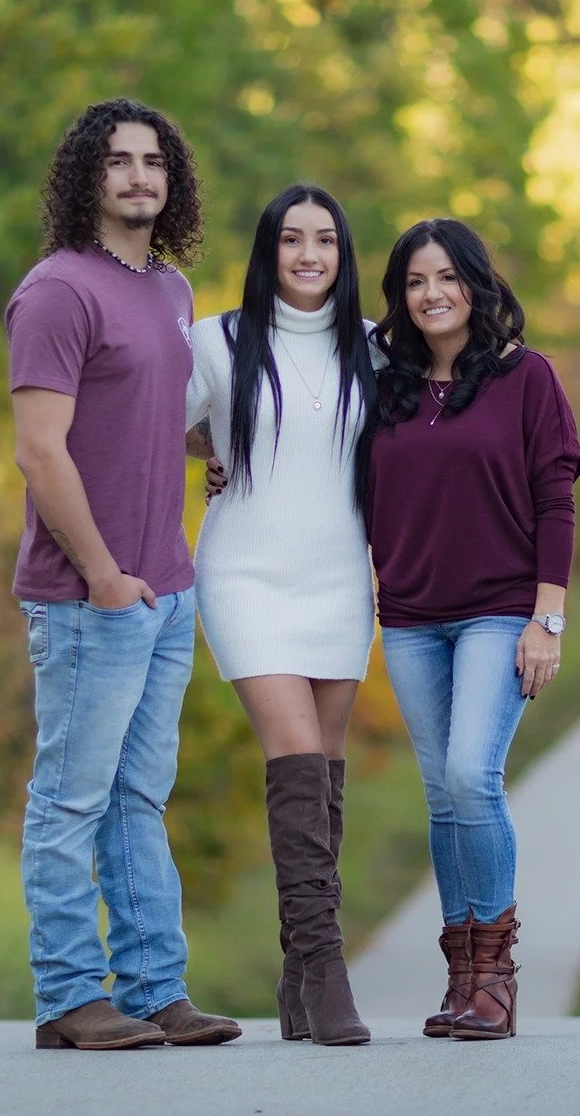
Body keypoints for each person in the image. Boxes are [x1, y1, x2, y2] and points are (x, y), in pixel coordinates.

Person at [4, 97, 240, 1051]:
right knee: (70, 801)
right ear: (85, 179)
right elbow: (39, 449)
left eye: (154, 162)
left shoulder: (172, 290)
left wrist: (201, 448)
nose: (139, 176)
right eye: (118, 162)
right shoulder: (58, 291)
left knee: (139, 800)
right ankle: (69, 998)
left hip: (166, 588)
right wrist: (101, 572)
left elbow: (136, 404)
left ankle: (153, 988)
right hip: (89, 596)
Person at [366, 217, 580, 1041]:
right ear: (401, 296)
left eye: (446, 277)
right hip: (413, 617)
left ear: (475, 284)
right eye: (416, 282)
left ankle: (497, 976)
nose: (432, 294)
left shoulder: (527, 378)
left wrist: (547, 619)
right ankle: (462, 981)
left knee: (470, 776)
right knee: (440, 795)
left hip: (501, 612)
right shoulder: (385, 385)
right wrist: (220, 457)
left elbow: (555, 496)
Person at [185, 184, 376, 1046]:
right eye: (292, 239)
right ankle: (327, 965)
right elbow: (150, 421)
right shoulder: (216, 342)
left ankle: (298, 982)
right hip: (246, 575)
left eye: (325, 241)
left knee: (326, 776)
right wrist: (209, 451)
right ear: (267, 250)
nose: (309, 255)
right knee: (296, 755)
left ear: (343, 254)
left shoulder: (377, 349)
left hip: (341, 579)